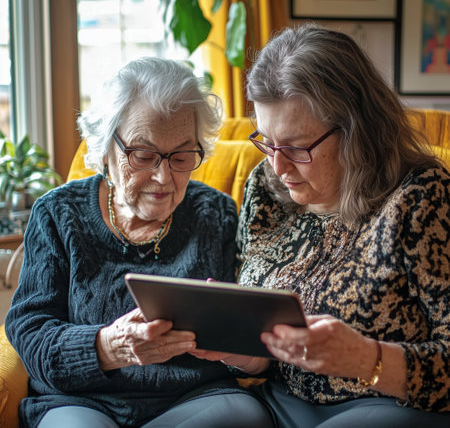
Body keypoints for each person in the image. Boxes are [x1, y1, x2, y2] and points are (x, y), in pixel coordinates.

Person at [193, 24, 450, 426]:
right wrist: (236, 349)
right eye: (267, 142)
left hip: (384, 406)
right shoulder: (266, 186)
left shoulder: (422, 198)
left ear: (356, 131)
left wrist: (367, 359)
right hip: (277, 401)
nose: (278, 166)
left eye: (296, 147)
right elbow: (261, 357)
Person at [5, 57, 273, 428]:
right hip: (81, 400)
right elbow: (30, 330)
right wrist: (108, 347)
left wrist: (237, 346)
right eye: (143, 155)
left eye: (181, 156)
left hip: (195, 397)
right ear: (104, 150)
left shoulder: (217, 213)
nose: (164, 177)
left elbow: (249, 334)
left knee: (246, 417)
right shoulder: (57, 213)